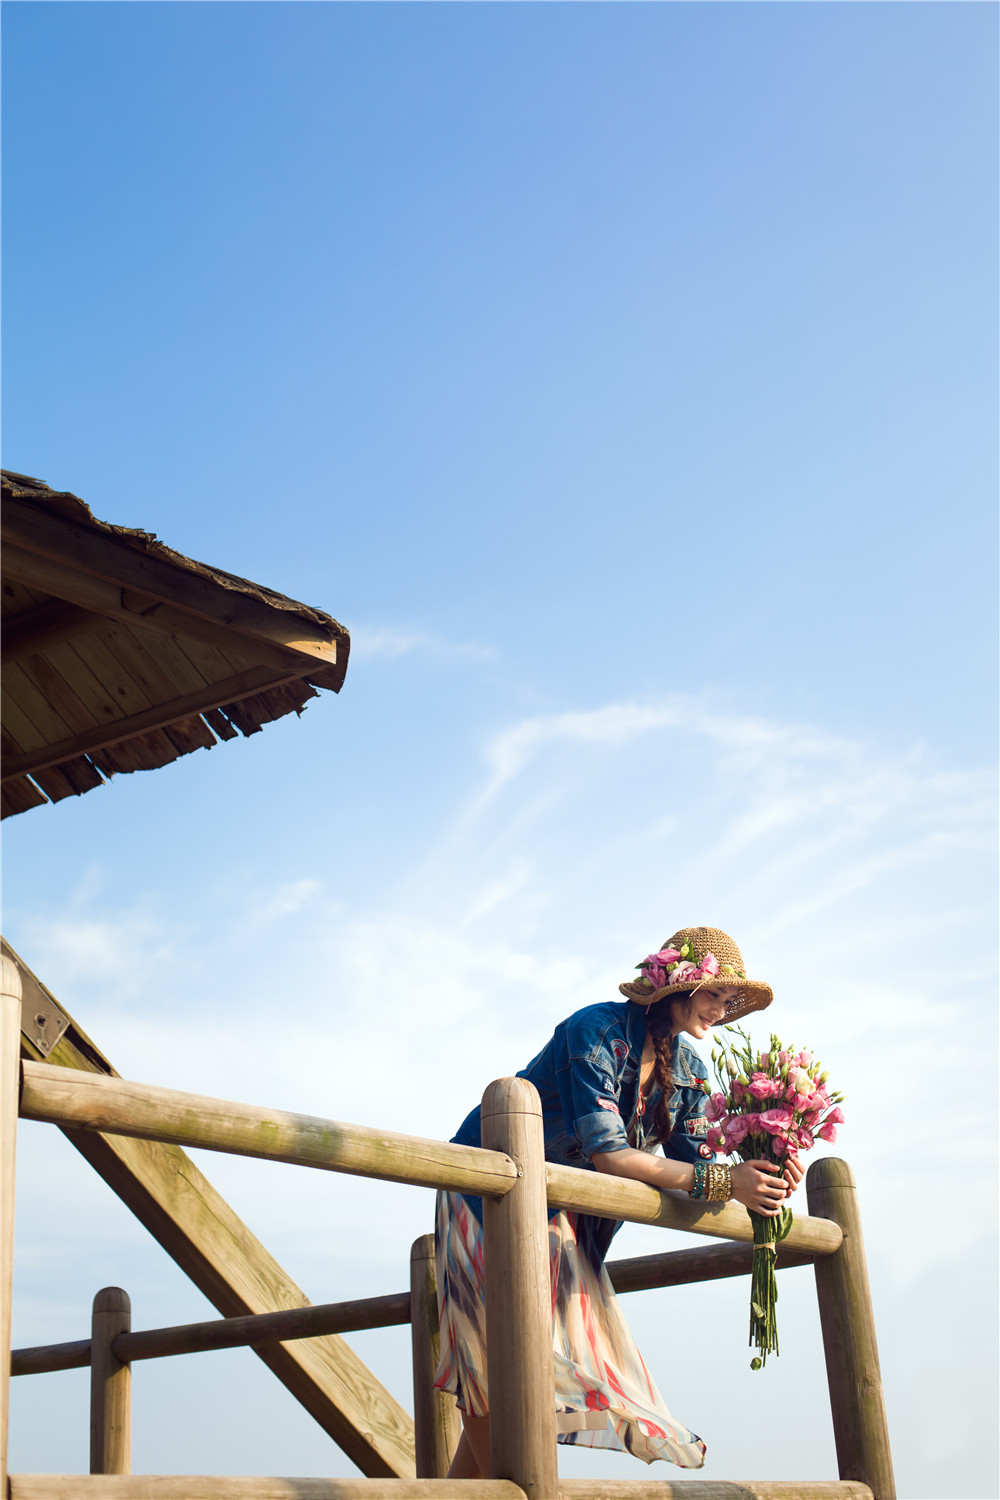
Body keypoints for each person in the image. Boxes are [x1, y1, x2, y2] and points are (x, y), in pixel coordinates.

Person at [433, 925, 804, 1476]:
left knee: (523, 1370)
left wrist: (761, 1176)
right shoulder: (597, 1030)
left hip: (562, 1217)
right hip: (488, 1195)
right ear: (677, 987)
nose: (721, 1012)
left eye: (729, 1002)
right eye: (714, 996)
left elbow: (698, 1168)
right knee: (498, 1372)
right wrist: (727, 1183)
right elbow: (610, 1154)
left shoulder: (692, 1072)